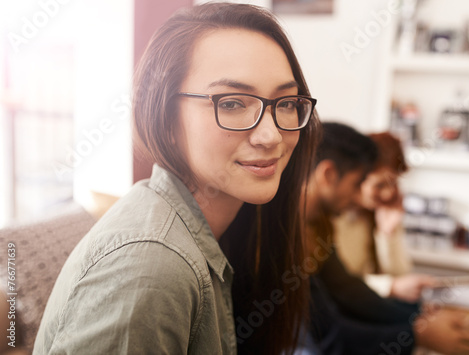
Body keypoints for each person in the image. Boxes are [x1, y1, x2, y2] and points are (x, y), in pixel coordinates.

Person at [34, 3, 320, 354]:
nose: (271, 136)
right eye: (232, 103)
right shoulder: (150, 266)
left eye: (287, 102)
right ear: (165, 118)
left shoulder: (223, 232)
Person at [297, 122, 469, 355]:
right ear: (328, 175)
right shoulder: (288, 232)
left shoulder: (317, 224)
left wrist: (420, 318)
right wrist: (417, 334)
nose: (359, 195)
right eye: (359, 183)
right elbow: (330, 335)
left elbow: (348, 289)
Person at [334, 132, 436, 303]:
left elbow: (400, 276)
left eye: (393, 184)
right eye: (379, 185)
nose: (388, 193)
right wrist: (390, 287)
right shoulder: (333, 215)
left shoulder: (378, 213)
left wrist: (387, 232)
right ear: (357, 177)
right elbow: (335, 284)